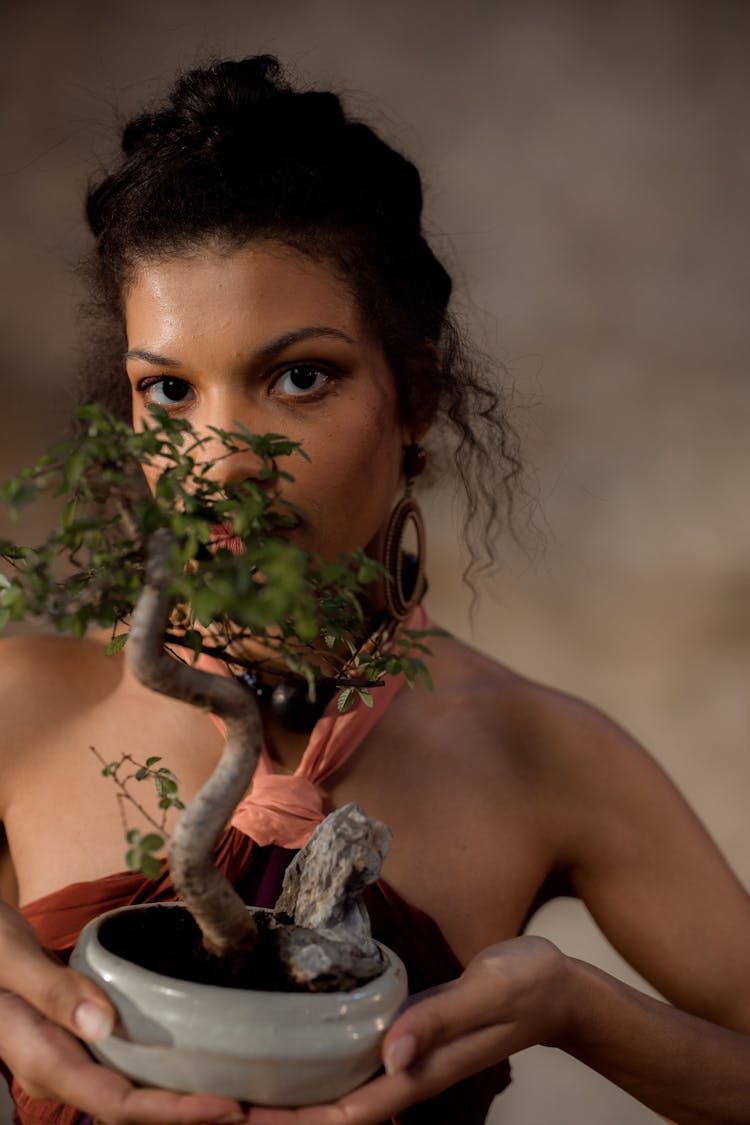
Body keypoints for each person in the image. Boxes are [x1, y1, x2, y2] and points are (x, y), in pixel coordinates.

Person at [1, 56, 750, 1125]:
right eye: (168, 390)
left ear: (417, 397)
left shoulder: (537, 753)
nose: (222, 460)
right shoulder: (21, 706)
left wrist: (574, 1008)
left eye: (299, 377)